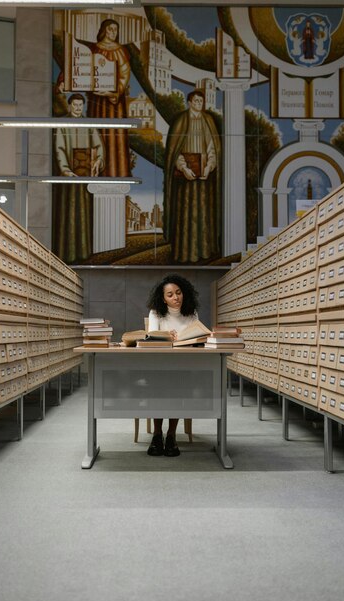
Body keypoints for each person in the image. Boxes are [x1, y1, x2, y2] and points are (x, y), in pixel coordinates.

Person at [163, 89, 222, 263]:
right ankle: (184, 253)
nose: (198, 104)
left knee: (203, 215)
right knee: (185, 217)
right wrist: (183, 168)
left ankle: (204, 252)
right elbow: (175, 150)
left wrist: (209, 167)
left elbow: (212, 147)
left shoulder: (208, 121)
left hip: (203, 178)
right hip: (184, 179)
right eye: (195, 101)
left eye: (200, 102)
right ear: (189, 102)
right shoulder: (181, 121)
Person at [146, 274, 199, 457]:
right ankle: (157, 434)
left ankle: (171, 435)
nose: (176, 297)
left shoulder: (191, 313)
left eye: (178, 293)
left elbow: (196, 336)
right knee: (159, 390)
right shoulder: (156, 313)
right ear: (163, 298)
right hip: (159, 364)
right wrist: (168, 335)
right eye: (170, 295)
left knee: (178, 387)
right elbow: (152, 335)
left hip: (183, 364)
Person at [52, 93, 105, 262]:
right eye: (74, 105)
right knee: (67, 214)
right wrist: (65, 170)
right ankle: (66, 254)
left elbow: (99, 146)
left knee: (84, 214)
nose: (77, 108)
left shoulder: (89, 124)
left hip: (85, 180)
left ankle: (84, 253)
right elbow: (59, 148)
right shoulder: (62, 124)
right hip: (68, 180)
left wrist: (98, 161)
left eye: (80, 105)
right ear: (69, 106)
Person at [86, 19, 131, 177]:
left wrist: (114, 92)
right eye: (110, 29)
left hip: (114, 103)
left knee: (114, 135)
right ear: (104, 30)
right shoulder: (93, 49)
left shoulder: (121, 51)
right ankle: (96, 168)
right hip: (97, 101)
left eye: (115, 30)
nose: (113, 32)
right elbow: (84, 68)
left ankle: (115, 171)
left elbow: (125, 75)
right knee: (96, 131)